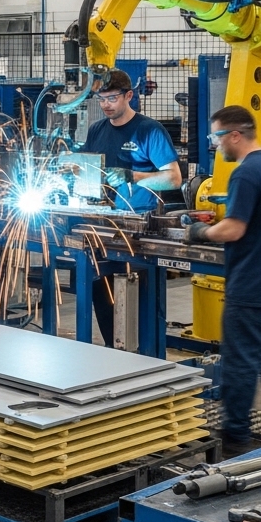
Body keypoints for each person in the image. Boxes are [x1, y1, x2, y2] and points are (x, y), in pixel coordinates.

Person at [185, 105, 261, 456]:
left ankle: (236, 443)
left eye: (216, 137)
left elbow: (233, 229)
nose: (215, 144)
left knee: (240, 365)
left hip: (250, 286)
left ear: (234, 135)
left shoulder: (245, 173)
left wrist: (200, 231)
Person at [81, 69, 181, 347]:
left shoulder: (150, 130)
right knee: (102, 294)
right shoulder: (96, 130)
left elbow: (173, 178)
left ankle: (144, 353)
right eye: (101, 99)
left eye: (112, 98)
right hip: (102, 226)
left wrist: (133, 176)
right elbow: (88, 170)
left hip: (138, 229)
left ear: (129, 96)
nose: (106, 105)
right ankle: (113, 350)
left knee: (139, 302)